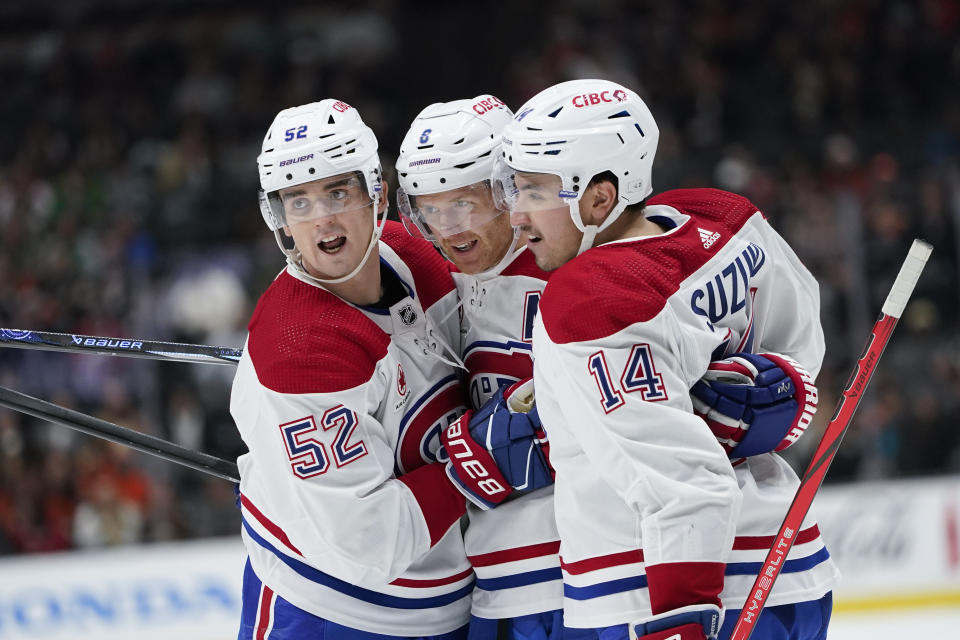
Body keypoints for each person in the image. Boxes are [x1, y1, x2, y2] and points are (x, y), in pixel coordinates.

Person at [494, 79, 840, 640]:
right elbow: (800, 350)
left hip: (652, 591)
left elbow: (686, 484)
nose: (518, 216)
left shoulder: (591, 298)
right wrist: (784, 391)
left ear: (600, 198)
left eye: (536, 192)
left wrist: (682, 615)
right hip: (787, 566)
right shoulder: (721, 220)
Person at [231, 98, 480, 640]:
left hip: (455, 601)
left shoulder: (415, 258)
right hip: (332, 612)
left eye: (337, 192)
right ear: (279, 219)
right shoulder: (299, 348)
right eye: (298, 201)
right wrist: (482, 463)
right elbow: (371, 543)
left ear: (378, 193)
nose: (322, 219)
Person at [395, 96, 567, 640]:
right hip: (491, 585)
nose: (448, 227)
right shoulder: (431, 286)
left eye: (465, 203)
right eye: (429, 208)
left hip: (583, 572)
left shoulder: (569, 271)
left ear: (506, 190)